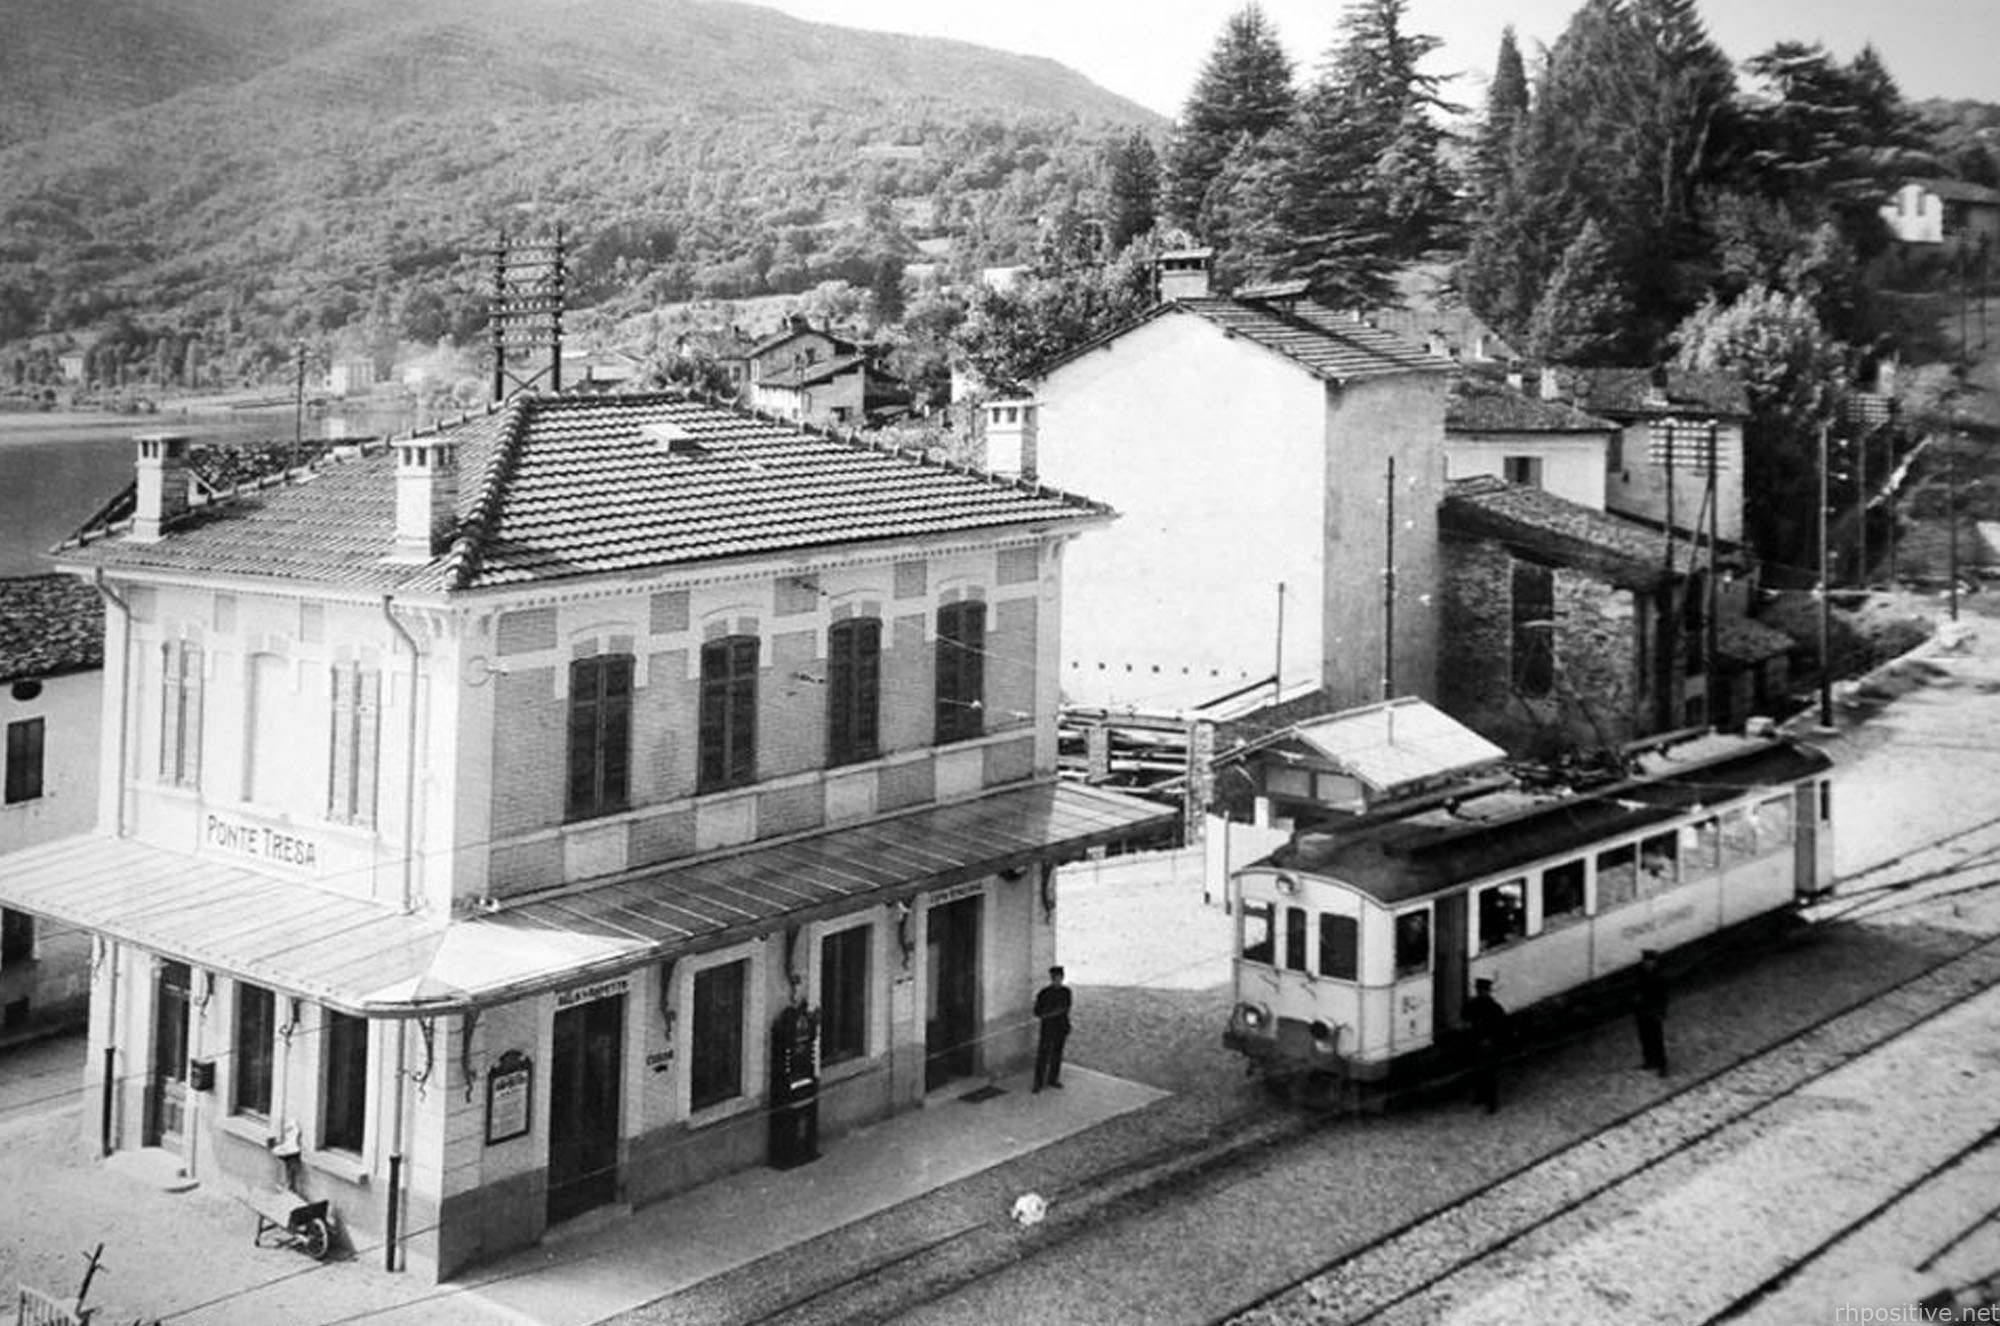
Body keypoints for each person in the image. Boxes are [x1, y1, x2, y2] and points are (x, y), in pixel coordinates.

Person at [1463, 976, 1507, 1113]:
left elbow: (1464, 1016)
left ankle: (1484, 1099)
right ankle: (1489, 1102)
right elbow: (1502, 1026)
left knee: (1481, 1072)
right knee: (1488, 1074)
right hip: (1489, 1043)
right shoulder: (1494, 1007)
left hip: (1478, 1042)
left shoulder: (1474, 1005)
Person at [1032, 965, 1072, 1093]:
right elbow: (1036, 1011)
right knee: (1043, 1055)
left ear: (1062, 978)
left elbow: (1066, 1007)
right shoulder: (1044, 993)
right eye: (1055, 978)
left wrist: (1056, 1012)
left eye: (1060, 978)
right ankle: (1038, 1083)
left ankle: (1053, 1079)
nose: (1057, 981)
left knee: (1057, 1054)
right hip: (1048, 1028)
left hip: (1061, 1027)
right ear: (1051, 979)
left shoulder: (1066, 992)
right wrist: (1044, 1014)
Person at [1635, 949, 1669, 1076]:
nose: (1648, 964)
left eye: (1650, 961)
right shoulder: (1640, 973)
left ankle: (1662, 1065)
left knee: (1657, 1040)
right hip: (1642, 1011)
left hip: (1654, 1011)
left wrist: (1661, 1012)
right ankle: (1649, 1061)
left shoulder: (1660, 976)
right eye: (1646, 961)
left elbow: (1664, 997)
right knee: (1645, 1038)